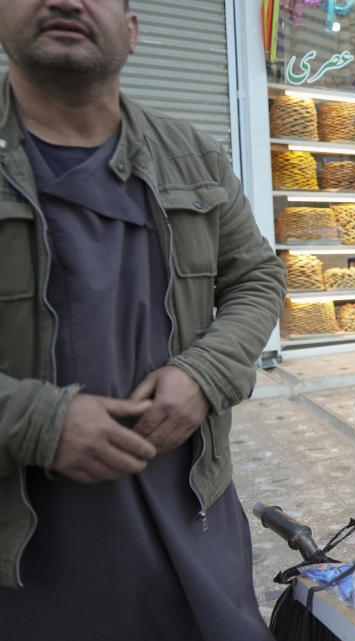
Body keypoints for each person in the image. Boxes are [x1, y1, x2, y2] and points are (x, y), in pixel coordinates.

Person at [0, 1, 285, 639]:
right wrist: (38, 423)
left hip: (193, 517)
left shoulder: (192, 157)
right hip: (26, 561)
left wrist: (203, 375)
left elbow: (257, 277)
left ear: (132, 31)